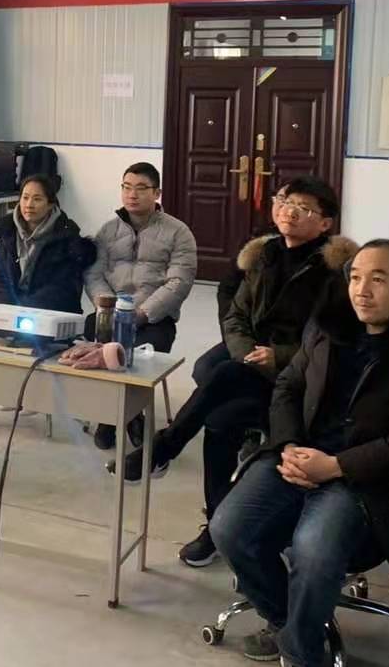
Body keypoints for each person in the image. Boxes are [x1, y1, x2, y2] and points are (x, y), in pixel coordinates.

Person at [209, 239, 389, 667]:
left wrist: (336, 466)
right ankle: (286, 622)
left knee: (315, 548)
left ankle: (303, 655)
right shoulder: (328, 326)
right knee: (228, 527)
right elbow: (287, 387)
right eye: (356, 277)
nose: (362, 290)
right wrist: (287, 446)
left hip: (365, 480)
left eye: (378, 279)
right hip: (300, 456)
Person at [112, 177, 351, 572]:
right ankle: (217, 523)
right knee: (220, 417)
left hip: (305, 384)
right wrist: (247, 355)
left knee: (221, 381)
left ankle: (165, 448)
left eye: (304, 208)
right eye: (286, 202)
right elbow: (236, 315)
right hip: (253, 370)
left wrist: (278, 357)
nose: (290, 211)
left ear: (325, 224)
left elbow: (334, 342)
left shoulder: (335, 273)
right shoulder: (263, 255)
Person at [84, 161, 197, 450]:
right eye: (126, 187)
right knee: (95, 342)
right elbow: (94, 274)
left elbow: (179, 282)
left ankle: (126, 415)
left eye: (141, 188)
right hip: (110, 312)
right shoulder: (108, 230)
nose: (132, 194)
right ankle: (115, 414)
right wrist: (105, 307)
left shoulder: (178, 232)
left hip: (154, 317)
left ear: (156, 193)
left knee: (141, 355)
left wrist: (143, 314)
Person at [0, 173, 96, 313]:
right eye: (25, 198)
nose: (29, 205)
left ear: (50, 204)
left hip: (51, 314)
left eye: (37, 199)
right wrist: (8, 310)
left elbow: (61, 288)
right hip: (10, 313)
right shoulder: (4, 233)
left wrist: (24, 310)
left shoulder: (67, 238)